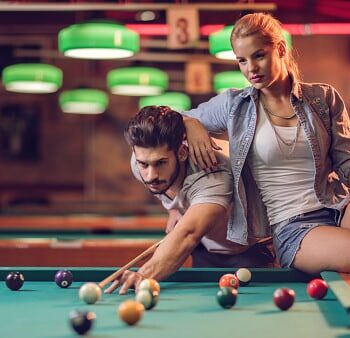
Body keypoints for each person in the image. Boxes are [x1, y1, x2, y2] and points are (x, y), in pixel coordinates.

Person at [182, 12, 350, 275]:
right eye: (242, 60)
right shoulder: (233, 105)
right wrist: (190, 122)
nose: (251, 68)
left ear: (280, 49)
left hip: (338, 204)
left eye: (258, 55)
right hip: (294, 226)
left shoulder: (322, 98)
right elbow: (165, 117)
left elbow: (346, 165)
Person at [105, 105, 274, 294]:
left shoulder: (213, 175)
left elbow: (188, 233)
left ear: (182, 154)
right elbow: (168, 189)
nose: (151, 175)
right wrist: (176, 209)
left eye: (161, 163)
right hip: (204, 249)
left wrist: (144, 275)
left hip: (247, 254)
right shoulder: (140, 165)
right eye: (143, 164)